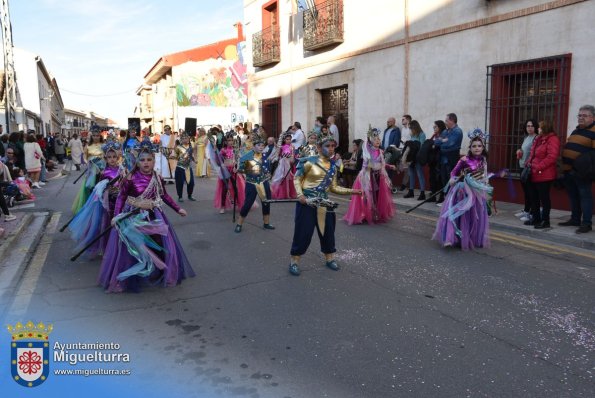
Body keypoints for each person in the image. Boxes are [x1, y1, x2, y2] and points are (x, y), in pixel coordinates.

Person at [98, 138, 194, 293]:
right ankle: (135, 276)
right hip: (133, 217)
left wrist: (177, 209)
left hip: (154, 215)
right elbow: (121, 197)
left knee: (158, 245)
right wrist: (116, 216)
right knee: (135, 248)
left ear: (154, 160)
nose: (146, 163)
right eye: (142, 160)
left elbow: (164, 196)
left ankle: (158, 272)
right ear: (137, 161)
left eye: (149, 159)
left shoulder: (157, 177)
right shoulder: (130, 178)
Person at [288, 132, 361, 276]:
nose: (332, 149)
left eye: (333, 146)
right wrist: (300, 195)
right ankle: (294, 260)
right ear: (319, 148)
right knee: (303, 233)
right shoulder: (308, 161)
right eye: (328, 146)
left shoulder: (333, 166)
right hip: (307, 202)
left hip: (324, 203)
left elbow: (333, 187)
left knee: (328, 231)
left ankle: (330, 258)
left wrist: (354, 191)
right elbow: (297, 179)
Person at [433, 130, 491, 250]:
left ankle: (471, 238)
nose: (477, 148)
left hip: (477, 192)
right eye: (474, 146)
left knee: (475, 217)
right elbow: (454, 172)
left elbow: (484, 175)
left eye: (479, 146)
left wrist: (486, 185)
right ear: (470, 147)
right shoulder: (464, 159)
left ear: (483, 147)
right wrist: (453, 179)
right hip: (463, 192)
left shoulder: (483, 160)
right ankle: (450, 238)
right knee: (458, 215)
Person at [69, 139, 123, 257]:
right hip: (109, 202)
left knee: (120, 224)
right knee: (107, 224)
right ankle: (107, 248)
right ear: (106, 158)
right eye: (109, 157)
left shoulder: (122, 169)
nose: (112, 159)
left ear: (118, 156)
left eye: (114, 156)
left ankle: (119, 247)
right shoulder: (105, 172)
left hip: (120, 201)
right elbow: (101, 188)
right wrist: (108, 190)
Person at [343, 128, 396, 225]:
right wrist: (368, 166)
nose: (378, 141)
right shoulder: (367, 152)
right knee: (367, 196)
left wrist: (389, 166)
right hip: (367, 177)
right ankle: (364, 214)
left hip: (378, 176)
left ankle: (374, 213)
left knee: (376, 196)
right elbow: (365, 165)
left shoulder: (380, 151)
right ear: (371, 141)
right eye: (375, 139)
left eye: (379, 139)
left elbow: (381, 163)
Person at [559, 105, 595, 234]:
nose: (580, 118)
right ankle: (575, 219)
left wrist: (582, 164)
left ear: (592, 117)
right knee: (573, 196)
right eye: (579, 115)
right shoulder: (576, 130)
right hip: (569, 171)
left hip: (582, 172)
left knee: (585, 196)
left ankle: (586, 223)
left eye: (584, 116)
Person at [234, 130, 275, 233]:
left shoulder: (265, 156)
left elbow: (267, 170)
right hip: (251, 183)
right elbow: (241, 169)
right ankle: (239, 224)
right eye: (259, 145)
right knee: (248, 204)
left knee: (266, 203)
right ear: (254, 146)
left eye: (262, 145)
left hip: (264, 182)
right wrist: (238, 169)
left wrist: (268, 180)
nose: (261, 147)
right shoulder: (246, 157)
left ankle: (266, 223)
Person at [524, 120, 560, 229]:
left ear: (545, 128)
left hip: (544, 174)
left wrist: (538, 167)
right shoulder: (539, 138)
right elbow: (533, 153)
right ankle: (536, 219)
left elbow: (551, 157)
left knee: (544, 199)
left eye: (539, 127)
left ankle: (545, 221)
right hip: (533, 172)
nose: (537, 129)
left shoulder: (553, 139)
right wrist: (528, 163)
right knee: (534, 197)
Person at [433, 113, 463, 203]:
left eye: (446, 120)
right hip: (443, 159)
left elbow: (450, 144)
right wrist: (443, 141)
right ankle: (446, 200)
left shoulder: (457, 131)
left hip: (452, 159)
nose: (445, 122)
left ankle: (452, 201)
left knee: (452, 180)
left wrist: (442, 142)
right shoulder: (445, 132)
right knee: (444, 179)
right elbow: (436, 142)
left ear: (452, 120)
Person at [213, 133, 245, 214]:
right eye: (228, 140)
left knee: (235, 187)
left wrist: (236, 167)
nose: (230, 142)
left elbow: (239, 160)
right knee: (225, 188)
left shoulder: (235, 149)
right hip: (225, 170)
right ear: (225, 142)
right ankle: (223, 206)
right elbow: (218, 161)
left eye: (231, 140)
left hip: (233, 170)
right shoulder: (223, 150)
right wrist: (216, 153)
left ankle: (239, 204)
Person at [515, 119, 538, 222]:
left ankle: (532, 213)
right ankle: (526, 210)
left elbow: (535, 153)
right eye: (528, 126)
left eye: (532, 126)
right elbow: (523, 150)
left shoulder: (536, 138)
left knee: (531, 192)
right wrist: (519, 151)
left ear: (536, 127)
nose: (529, 128)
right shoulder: (526, 137)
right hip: (522, 166)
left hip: (529, 168)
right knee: (526, 191)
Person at [403, 120, 427, 200]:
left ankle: (422, 193)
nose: (410, 129)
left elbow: (421, 146)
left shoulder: (421, 134)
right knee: (411, 174)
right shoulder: (412, 135)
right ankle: (411, 191)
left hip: (418, 157)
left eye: (411, 128)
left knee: (420, 175)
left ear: (415, 127)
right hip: (411, 158)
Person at [170, 132, 196, 202]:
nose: (185, 139)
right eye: (183, 138)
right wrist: (171, 156)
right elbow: (175, 156)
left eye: (186, 138)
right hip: (180, 167)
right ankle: (180, 196)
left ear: (188, 138)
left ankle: (190, 195)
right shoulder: (178, 147)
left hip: (188, 167)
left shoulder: (190, 147)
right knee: (180, 183)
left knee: (191, 183)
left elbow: (191, 156)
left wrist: (195, 160)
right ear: (181, 139)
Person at [271, 132, 297, 199]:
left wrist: (293, 159)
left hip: (291, 164)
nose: (288, 141)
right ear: (284, 140)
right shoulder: (282, 147)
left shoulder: (292, 147)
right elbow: (278, 154)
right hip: (283, 165)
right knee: (283, 178)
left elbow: (293, 155)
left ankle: (290, 193)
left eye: (290, 139)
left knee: (290, 179)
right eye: (287, 139)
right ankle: (282, 193)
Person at [425, 120, 446, 202]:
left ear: (440, 127)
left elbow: (438, 146)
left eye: (435, 126)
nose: (434, 128)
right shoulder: (434, 135)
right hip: (432, 160)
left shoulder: (443, 135)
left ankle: (441, 196)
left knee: (440, 179)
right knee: (432, 178)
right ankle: (433, 196)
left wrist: (434, 145)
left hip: (439, 160)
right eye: (434, 126)